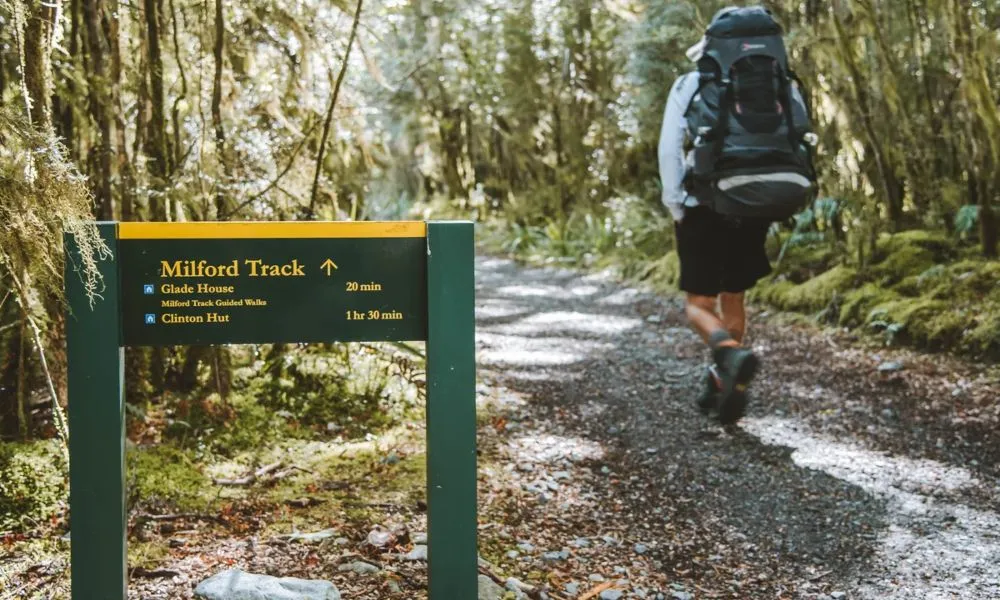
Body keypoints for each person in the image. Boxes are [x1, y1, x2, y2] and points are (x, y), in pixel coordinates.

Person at [657, 6, 817, 425]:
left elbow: (669, 148)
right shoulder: (784, 85)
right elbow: (800, 135)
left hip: (704, 204)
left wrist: (676, 202)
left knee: (697, 304)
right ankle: (723, 380)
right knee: (734, 296)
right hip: (754, 204)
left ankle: (729, 356)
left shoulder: (692, 83)